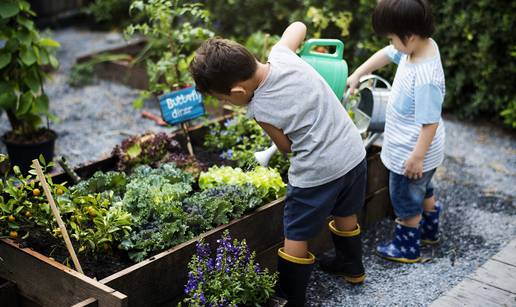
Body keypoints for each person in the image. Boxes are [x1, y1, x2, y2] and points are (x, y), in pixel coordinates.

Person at [190, 21, 367, 306]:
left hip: (318, 171)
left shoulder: (258, 107)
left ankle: (290, 296)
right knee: (346, 210)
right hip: (353, 152)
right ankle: (352, 267)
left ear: (237, 92)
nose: (229, 101)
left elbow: (285, 147)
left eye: (224, 98)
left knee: (296, 231)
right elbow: (298, 26)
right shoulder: (282, 54)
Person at [347, 0, 445, 263]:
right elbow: (389, 53)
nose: (391, 43)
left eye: (392, 37)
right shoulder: (418, 47)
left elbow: (430, 122)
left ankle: (407, 247)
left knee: (404, 198)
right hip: (424, 151)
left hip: (412, 153)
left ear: (409, 36)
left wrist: (416, 157)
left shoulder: (425, 77)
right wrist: (358, 73)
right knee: (423, 188)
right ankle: (429, 230)